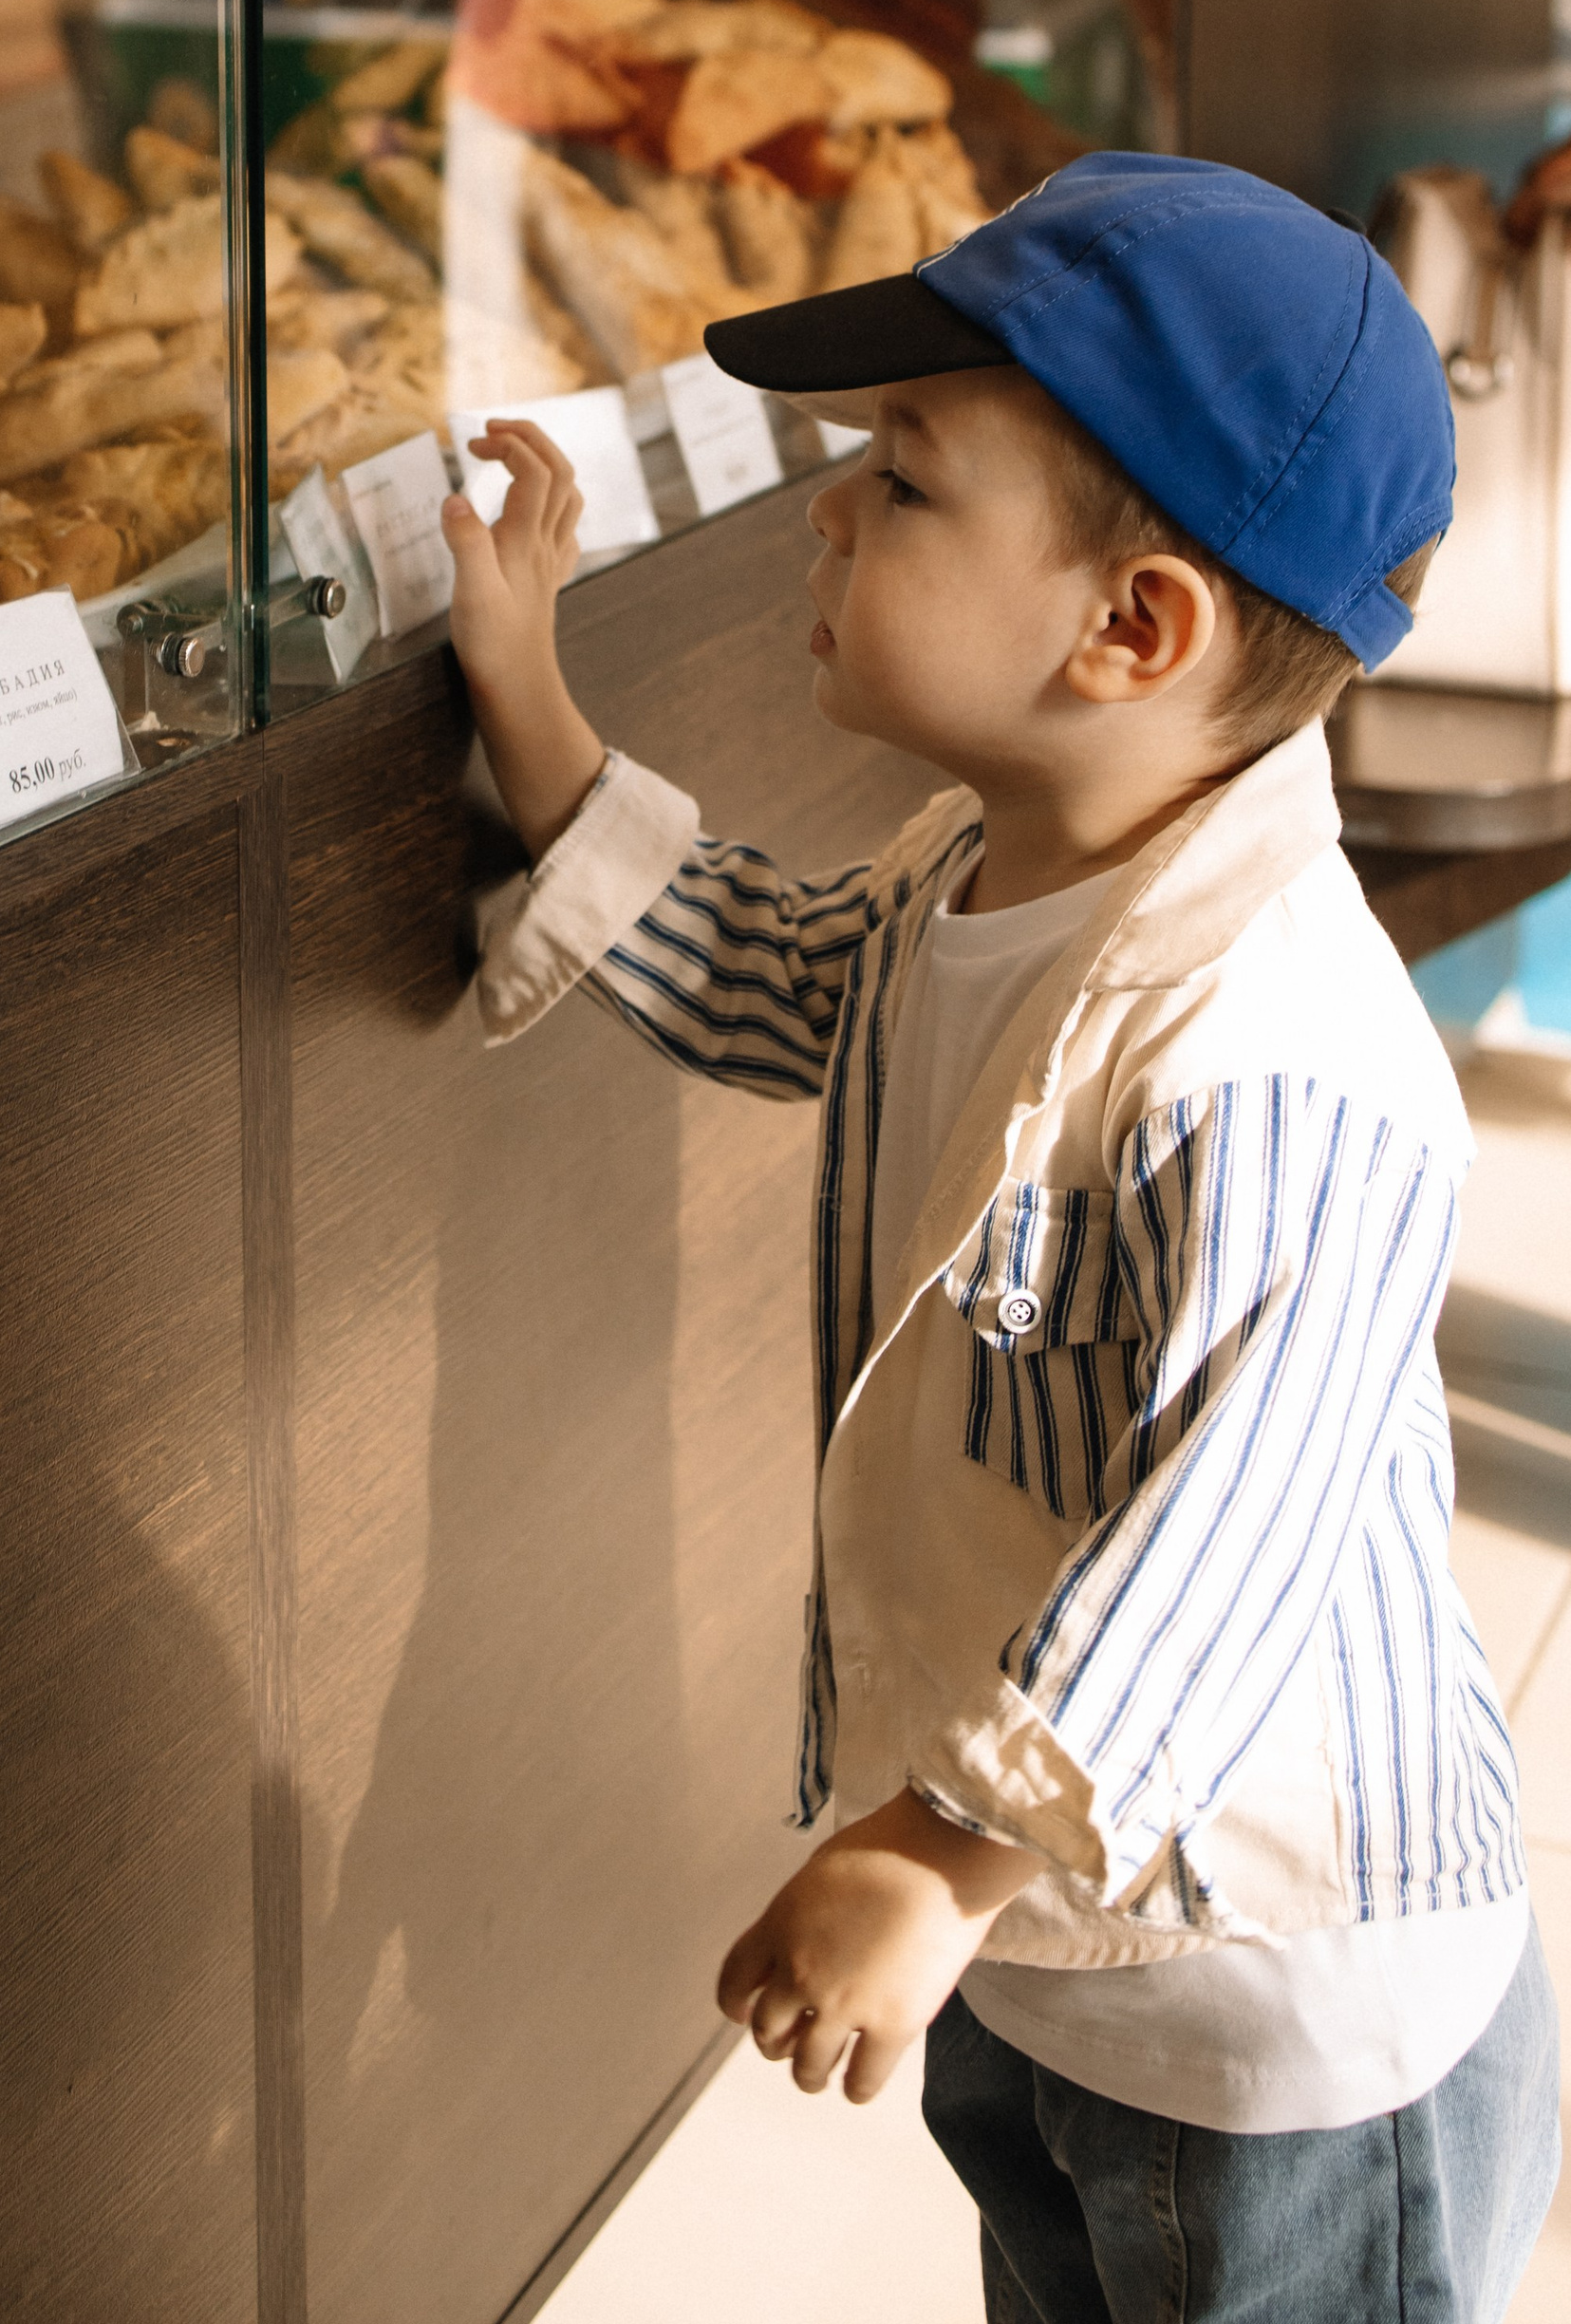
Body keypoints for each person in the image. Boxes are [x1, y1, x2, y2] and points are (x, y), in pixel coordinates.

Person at [443, 151, 1560, 2322]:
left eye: (905, 477)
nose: (827, 510)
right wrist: (534, 719)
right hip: (1034, 1951)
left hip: (1275, 2029)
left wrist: (937, 1857)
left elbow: (1220, 1547)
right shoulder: (990, 864)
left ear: (1124, 626)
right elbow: (783, 978)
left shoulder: (1274, 1063)